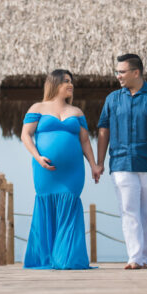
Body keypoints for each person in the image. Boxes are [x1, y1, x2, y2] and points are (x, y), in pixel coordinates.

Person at [94, 54, 147, 269]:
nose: (118, 76)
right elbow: (104, 130)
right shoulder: (112, 99)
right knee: (128, 210)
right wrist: (100, 161)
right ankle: (135, 257)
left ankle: (143, 258)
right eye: (117, 71)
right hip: (121, 163)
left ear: (136, 72)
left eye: (121, 71)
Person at [21, 69, 104, 269]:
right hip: (45, 169)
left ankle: (66, 258)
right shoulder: (38, 107)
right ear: (54, 83)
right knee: (46, 205)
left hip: (73, 171)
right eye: (66, 81)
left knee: (69, 206)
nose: (70, 85)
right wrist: (38, 157)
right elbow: (25, 135)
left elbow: (85, 141)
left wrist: (93, 165)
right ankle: (47, 258)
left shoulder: (77, 112)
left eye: (71, 81)